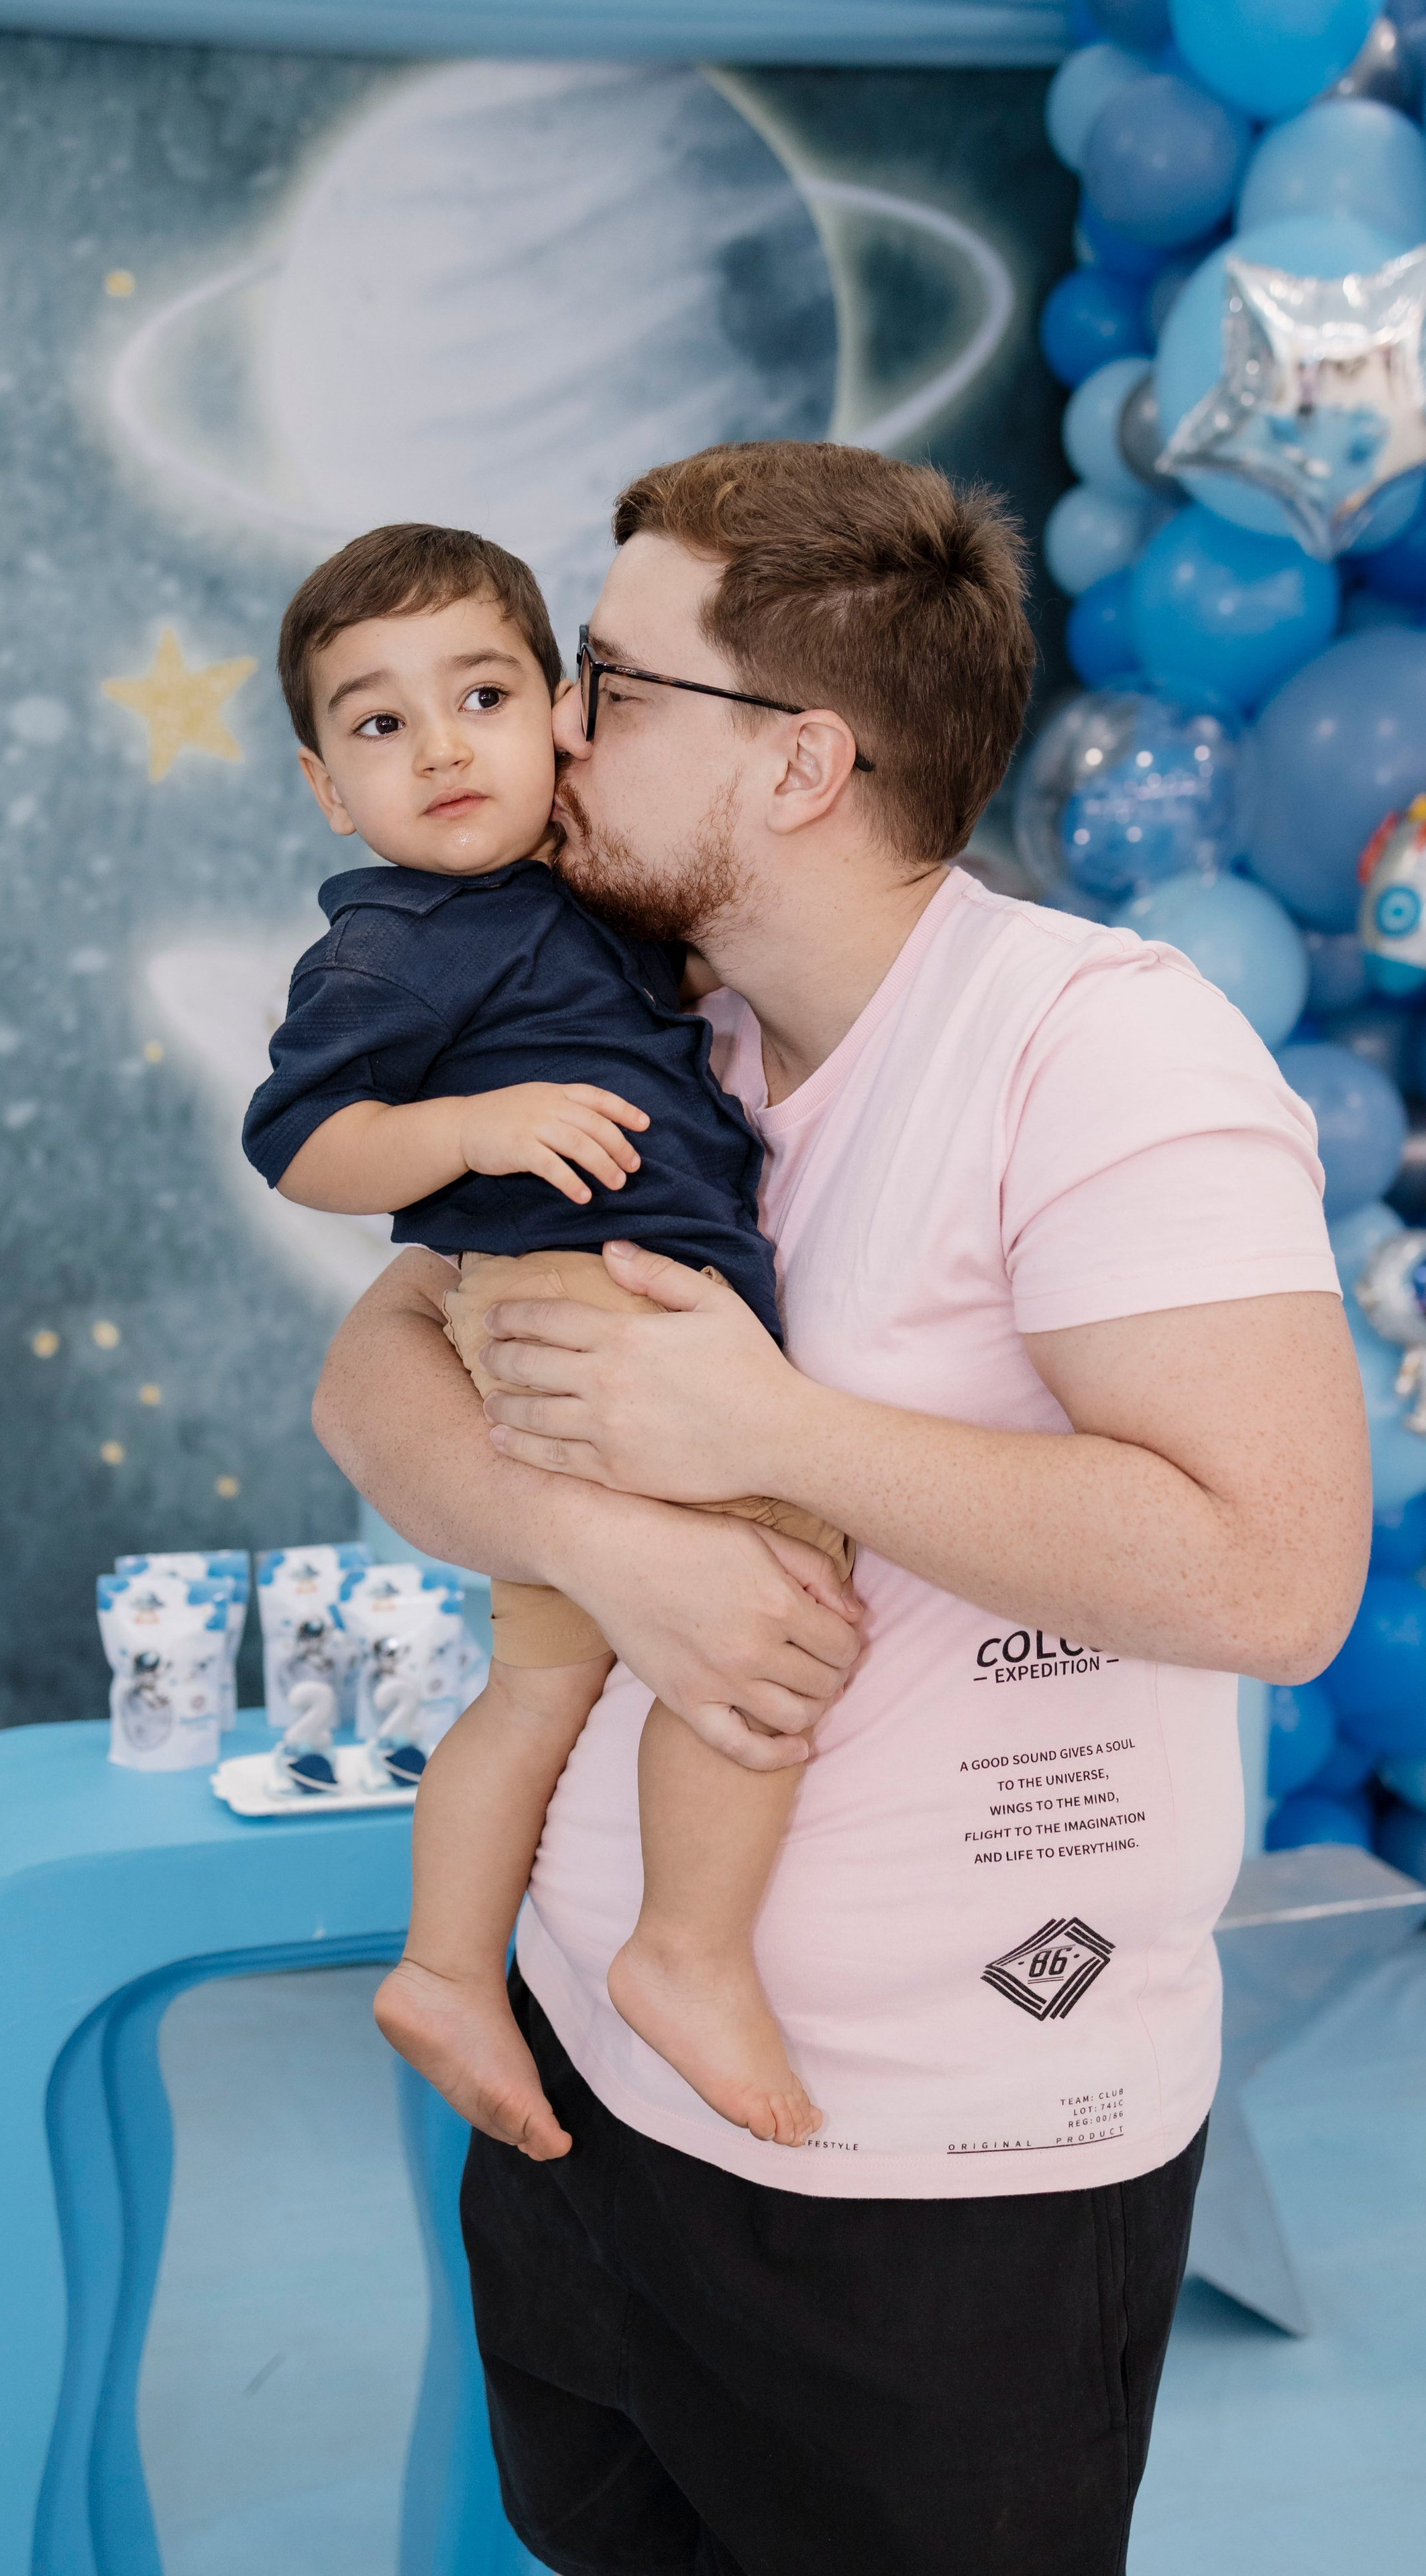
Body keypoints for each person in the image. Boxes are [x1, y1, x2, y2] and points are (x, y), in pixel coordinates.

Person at [315, 441, 1371, 2576]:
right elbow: (368, 1378)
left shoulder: (1101, 1055)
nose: (550, 729)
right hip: (586, 2101)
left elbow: (1275, 1574)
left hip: (940, 2180)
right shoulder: (650, 1030)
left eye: (606, 682)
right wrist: (614, 1544)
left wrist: (770, 1434)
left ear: (799, 760)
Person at [242, 521, 856, 2152]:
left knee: (536, 1685)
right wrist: (469, 1128)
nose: (441, 746)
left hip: (583, 1313)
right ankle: (688, 1949)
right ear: (326, 786)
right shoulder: (393, 942)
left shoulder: (569, 896)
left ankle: (445, 1966)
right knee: (783, 1586)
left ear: (559, 715)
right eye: (379, 725)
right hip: (586, 1300)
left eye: (484, 696)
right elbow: (299, 1143)